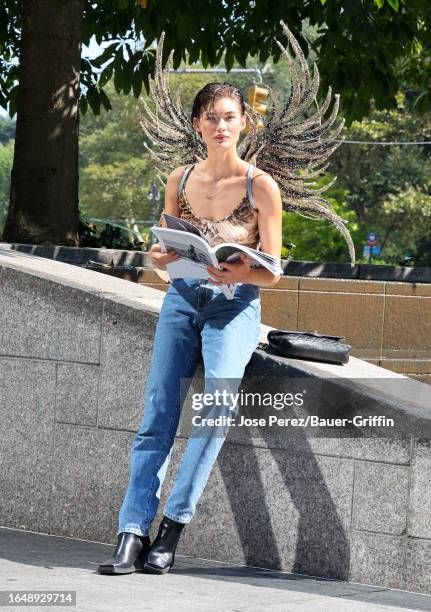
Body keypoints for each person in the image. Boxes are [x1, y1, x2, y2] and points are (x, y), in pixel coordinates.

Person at [97, 82, 282, 576]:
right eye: (210, 118)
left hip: (234, 306)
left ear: (243, 122)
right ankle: (132, 532)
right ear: (198, 125)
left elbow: (274, 269)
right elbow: (163, 254)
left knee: (214, 413)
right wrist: (158, 257)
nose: (220, 126)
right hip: (182, 300)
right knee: (157, 414)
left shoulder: (260, 186)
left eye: (228, 117)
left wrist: (238, 271)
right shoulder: (178, 181)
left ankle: (172, 528)